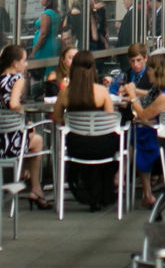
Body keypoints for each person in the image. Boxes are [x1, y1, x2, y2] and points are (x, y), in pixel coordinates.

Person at [0, 45, 48, 208]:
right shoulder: (17, 79)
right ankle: (35, 188)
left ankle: (25, 175)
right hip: (9, 144)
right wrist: (22, 113)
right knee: (38, 141)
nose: (26, 65)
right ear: (15, 63)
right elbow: (13, 104)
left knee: (29, 137)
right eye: (24, 61)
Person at [53, 50, 116, 211]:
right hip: (102, 147)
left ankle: (89, 190)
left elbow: (57, 118)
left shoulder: (65, 93)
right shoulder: (101, 91)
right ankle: (104, 191)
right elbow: (110, 119)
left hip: (76, 146)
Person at [122, 52, 165, 208]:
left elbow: (144, 115)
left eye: (150, 69)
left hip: (162, 141)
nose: (147, 72)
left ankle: (147, 192)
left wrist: (132, 96)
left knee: (139, 135)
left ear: (157, 72)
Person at [30, 0, 60, 74]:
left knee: (43, 72)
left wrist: (34, 51)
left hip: (44, 47)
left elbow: (43, 34)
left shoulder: (47, 14)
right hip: (53, 44)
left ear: (49, 1)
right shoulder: (56, 13)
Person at [116, 0, 134, 69]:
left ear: (130, 1)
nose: (123, 2)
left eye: (124, 0)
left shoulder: (131, 14)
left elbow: (126, 35)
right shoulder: (130, 13)